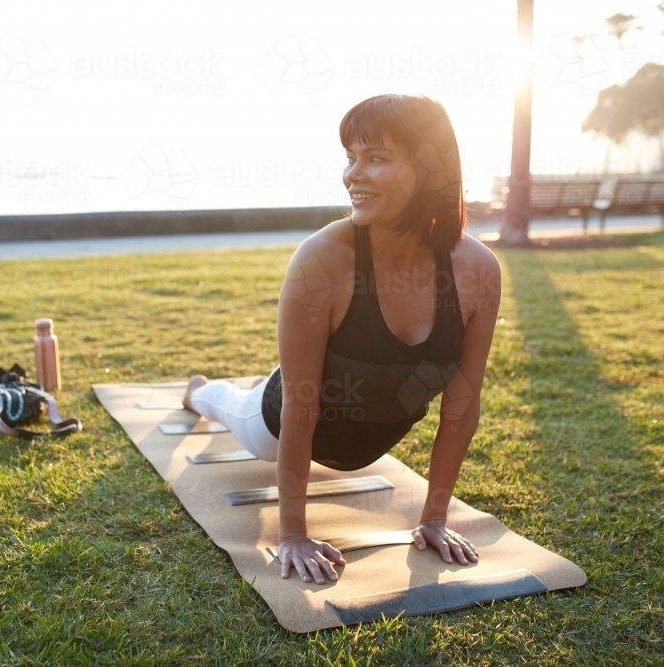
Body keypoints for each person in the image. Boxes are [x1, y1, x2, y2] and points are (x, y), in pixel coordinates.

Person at [183, 94, 502, 586]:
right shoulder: (323, 259)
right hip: (280, 415)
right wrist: (292, 535)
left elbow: (461, 406)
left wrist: (434, 518)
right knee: (232, 408)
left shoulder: (477, 270)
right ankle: (199, 391)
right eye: (351, 157)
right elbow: (300, 406)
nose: (353, 174)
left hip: (364, 432)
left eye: (376, 158)